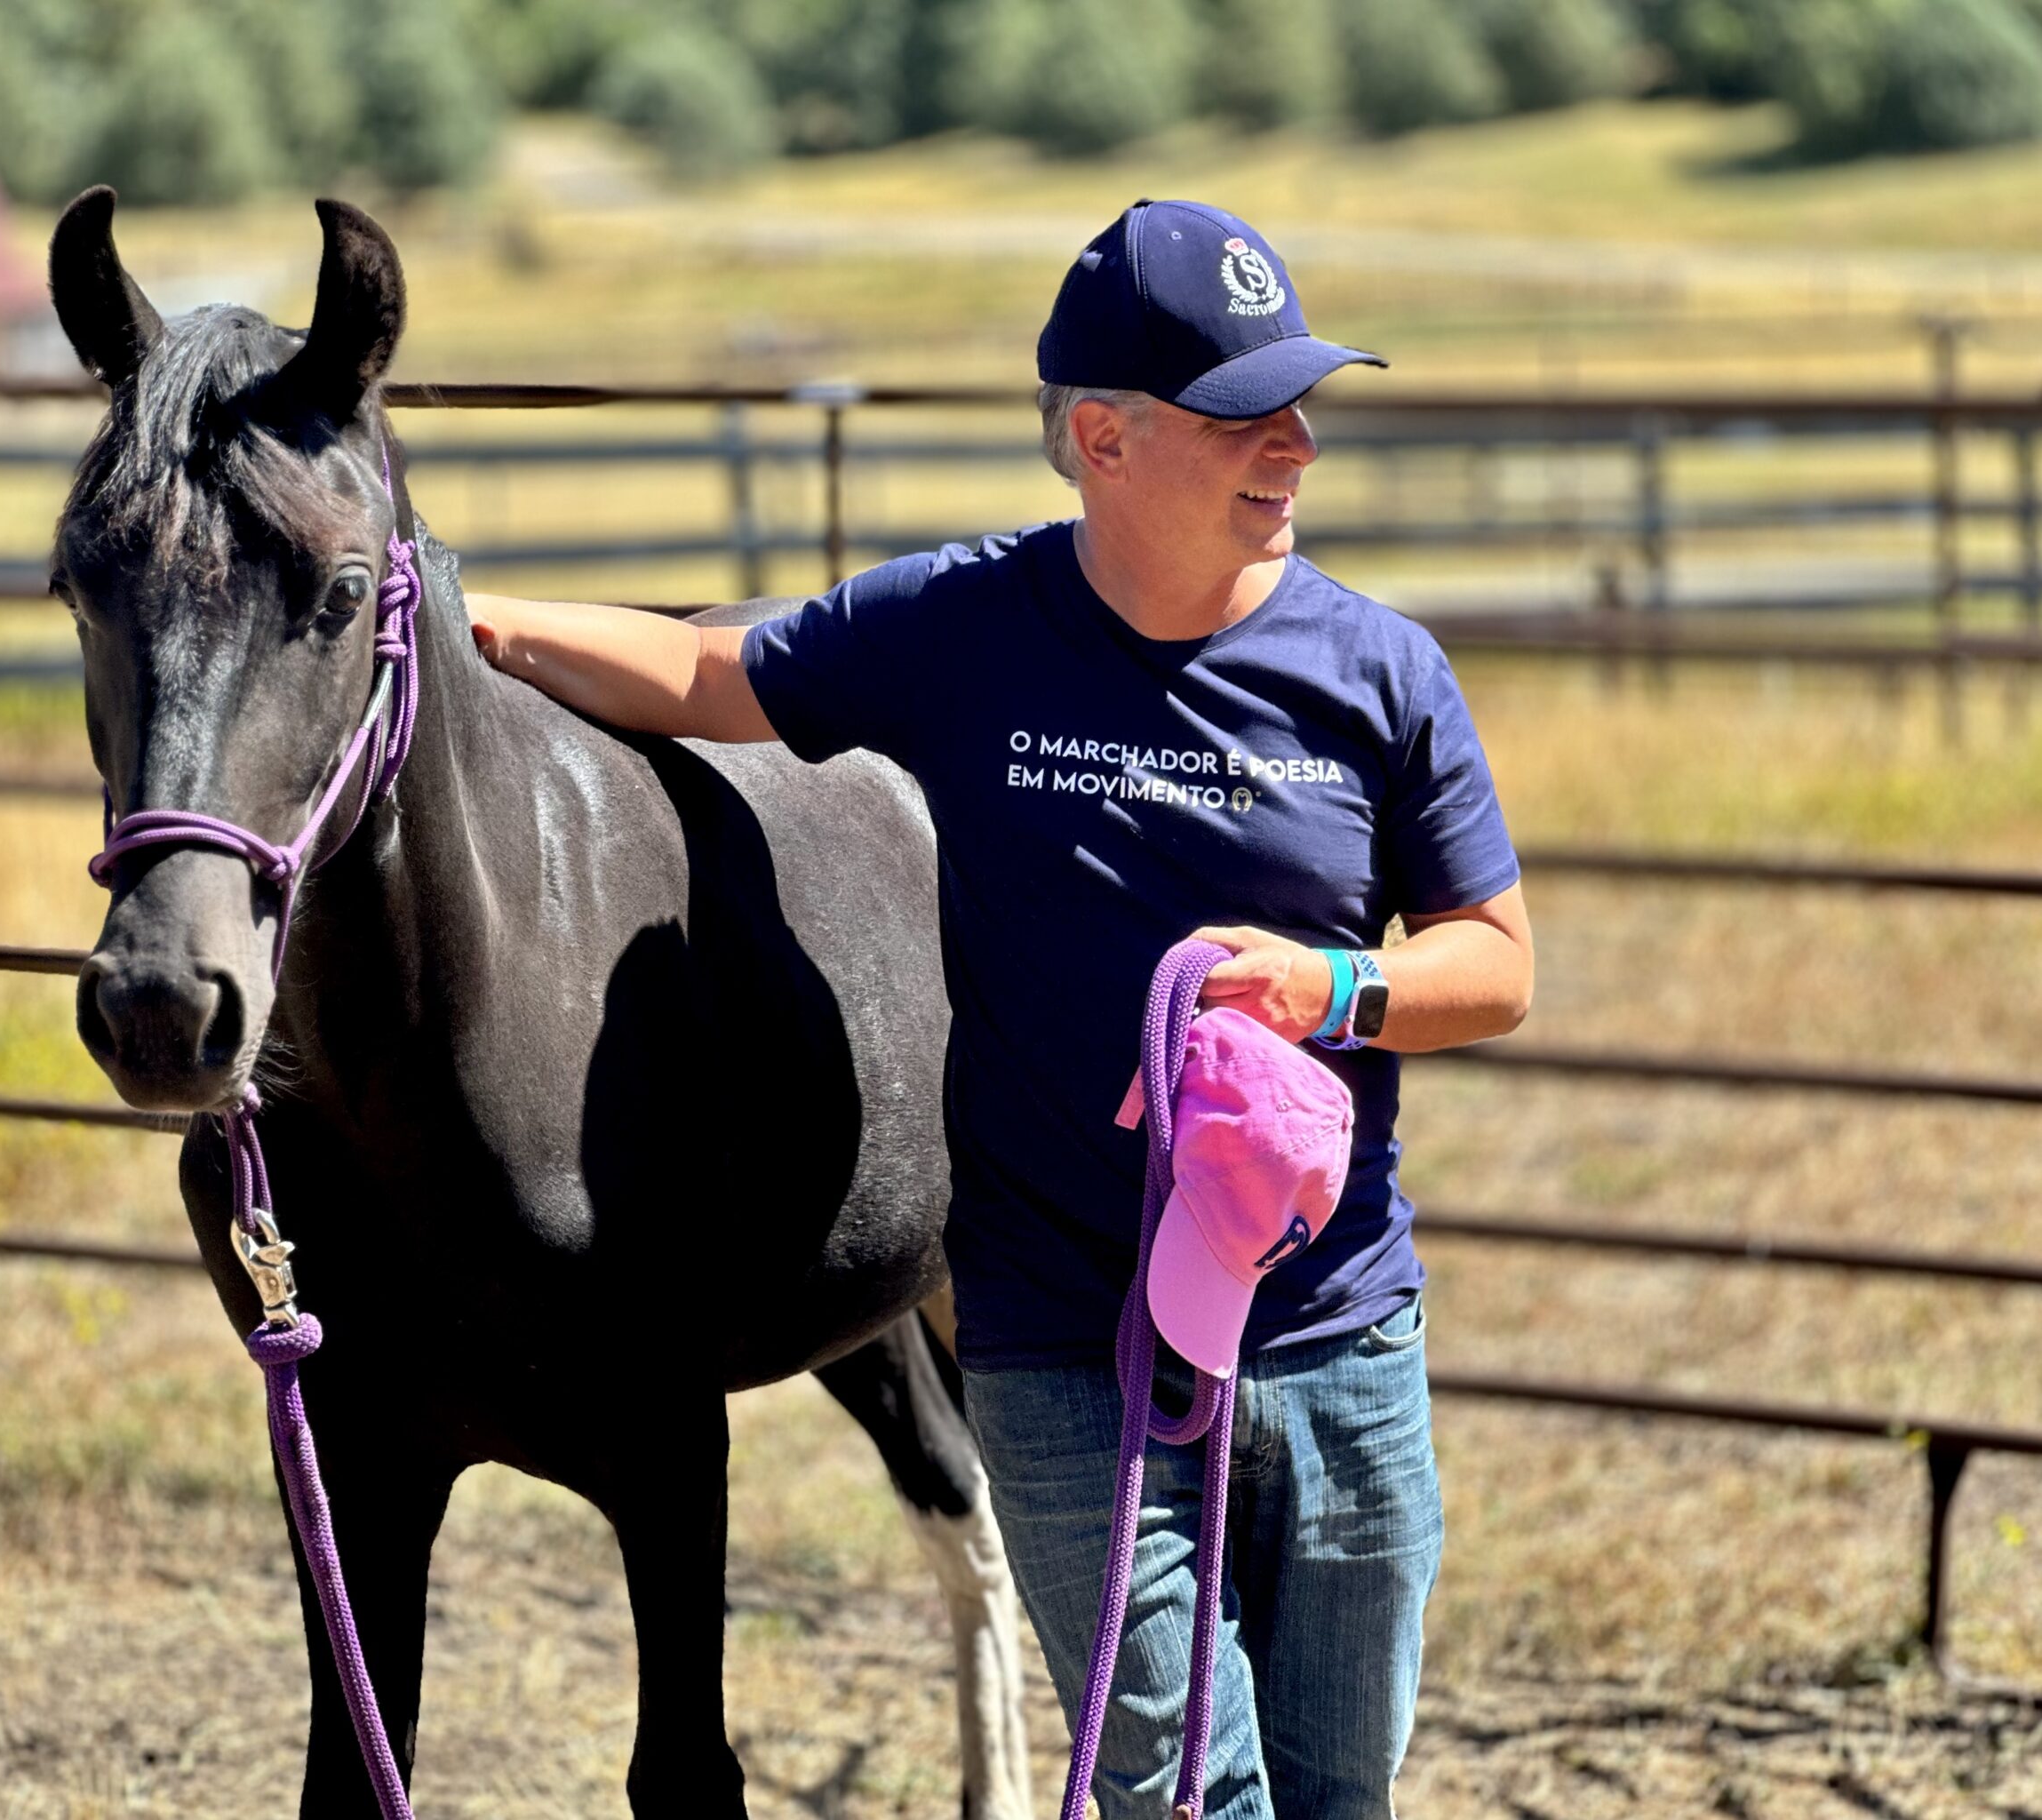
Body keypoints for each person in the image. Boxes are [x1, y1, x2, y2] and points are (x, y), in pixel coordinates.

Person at [467, 199, 1534, 1820]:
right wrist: (461, 616)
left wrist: (1338, 986)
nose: (1299, 445)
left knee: (1342, 1795)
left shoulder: (1382, 672)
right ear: (1103, 439)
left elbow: (1495, 962)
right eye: (1247, 414)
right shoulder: (965, 630)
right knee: (1182, 1791)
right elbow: (711, 677)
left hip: (1335, 1334)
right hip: (1068, 1351)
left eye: (1304, 405)